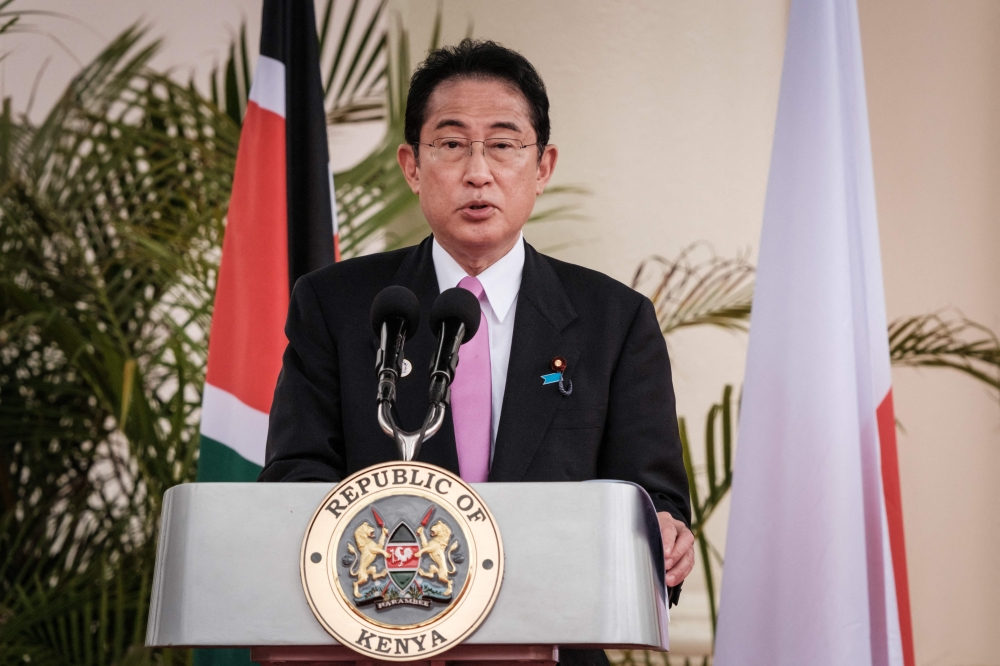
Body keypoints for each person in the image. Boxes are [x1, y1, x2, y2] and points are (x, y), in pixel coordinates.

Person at [260, 39, 694, 666]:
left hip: (553, 643)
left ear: (542, 167)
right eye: (451, 142)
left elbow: (650, 500)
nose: (478, 170)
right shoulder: (338, 305)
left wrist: (664, 534)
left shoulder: (614, 321)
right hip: (376, 641)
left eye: (504, 143)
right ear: (412, 165)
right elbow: (296, 479)